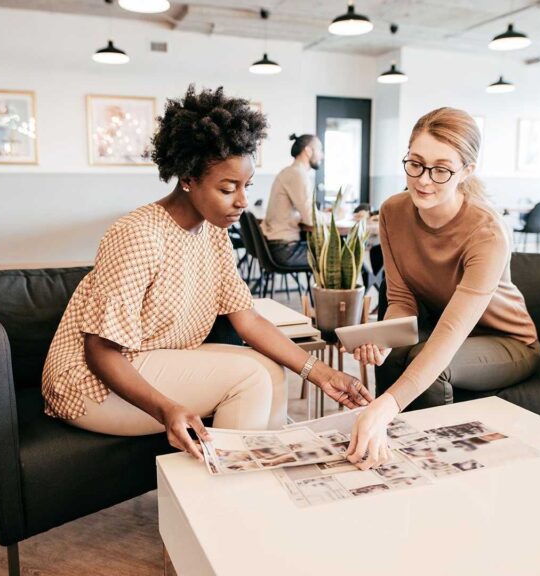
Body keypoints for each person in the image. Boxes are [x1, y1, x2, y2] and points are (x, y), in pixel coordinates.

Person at [41, 86, 371, 461]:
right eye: (228, 188)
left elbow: (247, 318)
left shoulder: (214, 234)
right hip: (89, 384)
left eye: (247, 187)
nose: (242, 202)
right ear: (187, 177)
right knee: (248, 380)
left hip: (154, 358)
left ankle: (259, 480)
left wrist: (320, 372)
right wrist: (167, 409)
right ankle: (222, 494)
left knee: (271, 371)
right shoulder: (138, 234)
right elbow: (100, 351)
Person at [344, 107, 540, 470]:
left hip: (508, 341)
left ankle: (429, 468)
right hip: (444, 328)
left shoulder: (486, 232)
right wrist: (385, 341)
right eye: (415, 164)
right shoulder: (393, 212)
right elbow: (401, 300)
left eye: (441, 169)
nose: (423, 180)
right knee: (400, 356)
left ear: (467, 170)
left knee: (426, 363)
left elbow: (451, 333)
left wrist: (386, 405)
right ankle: (383, 454)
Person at [260, 133, 324, 267]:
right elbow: (311, 219)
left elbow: (299, 212)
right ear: (308, 150)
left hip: (275, 244)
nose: (322, 155)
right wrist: (336, 216)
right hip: (284, 249)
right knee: (336, 255)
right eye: (320, 150)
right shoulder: (298, 174)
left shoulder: (290, 171)